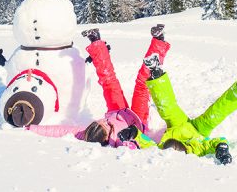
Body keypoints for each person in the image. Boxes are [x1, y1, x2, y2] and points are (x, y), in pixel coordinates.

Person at [28, 24, 170, 148]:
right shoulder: (120, 141)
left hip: (117, 112)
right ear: (107, 136)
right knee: (143, 84)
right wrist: (133, 138)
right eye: (106, 125)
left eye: (101, 121)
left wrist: (33, 128)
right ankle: (159, 42)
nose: (104, 121)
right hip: (138, 120)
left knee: (108, 80)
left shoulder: (88, 132)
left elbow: (63, 131)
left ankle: (95, 40)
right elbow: (140, 146)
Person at [117, 54, 237, 164]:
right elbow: (218, 141)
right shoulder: (197, 151)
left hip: (177, 125)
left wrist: (133, 133)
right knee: (214, 115)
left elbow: (147, 144)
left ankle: (156, 73)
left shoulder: (160, 149)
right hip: (198, 131)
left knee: (167, 109)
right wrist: (222, 149)